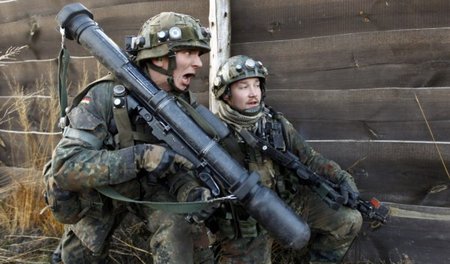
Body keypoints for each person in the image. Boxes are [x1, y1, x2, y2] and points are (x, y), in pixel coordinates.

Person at [49, 12, 215, 264]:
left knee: (182, 230)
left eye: (198, 55)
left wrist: (190, 192)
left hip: (150, 187)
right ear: (160, 56)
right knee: (81, 255)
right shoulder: (103, 95)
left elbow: (181, 166)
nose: (199, 63)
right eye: (189, 53)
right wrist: (140, 157)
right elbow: (65, 166)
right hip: (101, 189)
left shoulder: (182, 104)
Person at [209, 55, 363, 264]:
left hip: (290, 204)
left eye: (257, 85)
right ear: (226, 94)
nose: (253, 93)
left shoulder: (275, 122)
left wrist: (341, 177)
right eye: (243, 87)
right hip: (247, 222)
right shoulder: (213, 133)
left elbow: (309, 158)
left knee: (349, 221)